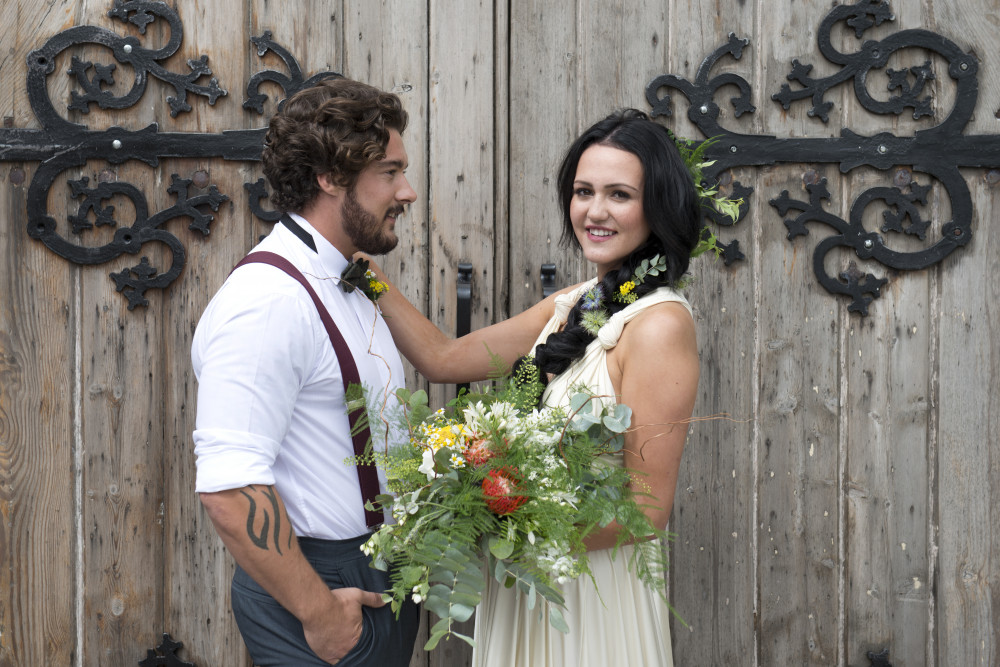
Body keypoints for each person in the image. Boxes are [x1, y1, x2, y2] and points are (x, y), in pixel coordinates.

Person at [369, 109, 702, 666]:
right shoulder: (573, 304)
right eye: (583, 191)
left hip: (593, 596)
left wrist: (499, 516)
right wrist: (359, 271)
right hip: (530, 582)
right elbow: (445, 357)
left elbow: (646, 509)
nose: (595, 211)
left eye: (619, 194)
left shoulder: (659, 325)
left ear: (658, 205)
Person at [191, 77, 420, 666]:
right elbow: (229, 488)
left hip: (374, 569)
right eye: (390, 173)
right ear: (330, 177)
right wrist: (319, 614)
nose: (408, 191)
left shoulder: (348, 278)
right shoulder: (267, 302)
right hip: (322, 585)